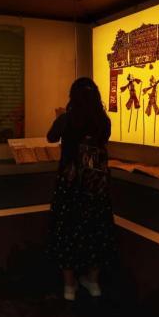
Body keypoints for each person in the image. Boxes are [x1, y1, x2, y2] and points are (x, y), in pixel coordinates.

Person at [47, 77, 116, 301]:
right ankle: (93, 283)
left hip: (69, 185)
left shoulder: (66, 119)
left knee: (67, 231)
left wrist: (60, 118)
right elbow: (103, 140)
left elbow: (51, 137)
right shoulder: (103, 121)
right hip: (96, 187)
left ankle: (69, 287)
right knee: (96, 230)